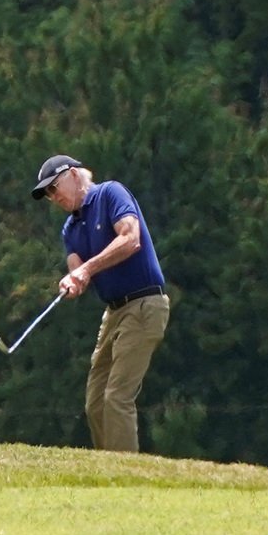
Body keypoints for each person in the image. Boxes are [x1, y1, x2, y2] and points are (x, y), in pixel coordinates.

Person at [32, 154, 169, 452]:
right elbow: (76, 269)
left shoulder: (110, 194)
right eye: (48, 195)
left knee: (117, 397)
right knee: (95, 402)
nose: (53, 197)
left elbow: (131, 239)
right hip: (114, 312)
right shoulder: (70, 229)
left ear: (73, 174)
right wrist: (73, 281)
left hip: (145, 304)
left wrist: (86, 270)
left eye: (54, 188)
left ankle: (127, 478)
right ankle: (109, 468)